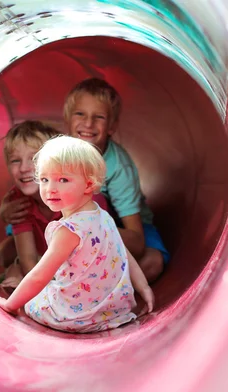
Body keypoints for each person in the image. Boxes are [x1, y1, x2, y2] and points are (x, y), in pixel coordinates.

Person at [0, 136, 155, 333]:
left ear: (89, 185)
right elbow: (124, 255)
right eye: (44, 179)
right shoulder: (103, 217)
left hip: (71, 317)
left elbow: (39, 276)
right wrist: (144, 289)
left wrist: (10, 304)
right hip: (113, 313)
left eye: (63, 179)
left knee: (34, 298)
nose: (51, 188)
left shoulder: (69, 230)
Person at [63, 78, 170, 282]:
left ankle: (95, 289)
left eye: (99, 117)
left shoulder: (118, 166)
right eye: (80, 114)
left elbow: (137, 242)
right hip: (75, 228)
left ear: (111, 127)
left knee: (153, 261)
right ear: (67, 119)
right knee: (7, 250)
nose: (88, 123)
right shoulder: (57, 154)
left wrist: (91, 234)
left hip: (121, 226)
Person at [0, 121, 110, 290]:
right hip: (48, 260)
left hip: (88, 259)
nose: (24, 168)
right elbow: (29, 260)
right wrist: (47, 294)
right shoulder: (18, 201)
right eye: (15, 161)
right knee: (16, 267)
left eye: (34, 159)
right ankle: (15, 275)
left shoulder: (76, 194)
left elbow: (96, 256)